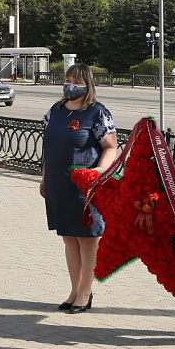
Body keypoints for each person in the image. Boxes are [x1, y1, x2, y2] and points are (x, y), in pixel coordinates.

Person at [39, 64, 118, 313]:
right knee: (69, 239)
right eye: (67, 79)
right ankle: (74, 290)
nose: (70, 85)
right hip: (57, 184)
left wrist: (99, 173)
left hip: (84, 186)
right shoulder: (56, 110)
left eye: (76, 81)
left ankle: (85, 292)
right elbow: (48, 146)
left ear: (87, 84)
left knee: (87, 241)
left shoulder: (97, 112)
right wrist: (44, 177)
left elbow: (111, 147)